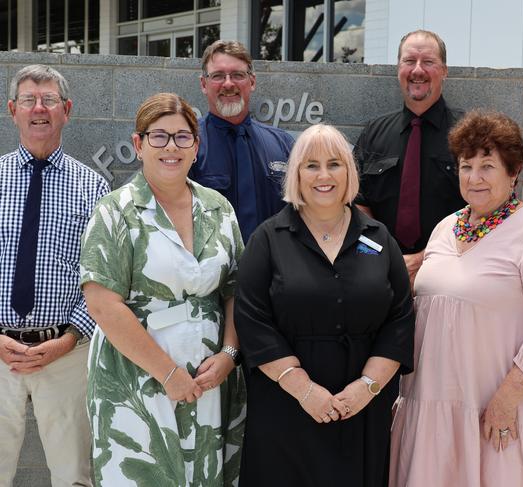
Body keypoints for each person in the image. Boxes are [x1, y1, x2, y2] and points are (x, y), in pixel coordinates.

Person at [390, 111, 523, 486]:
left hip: (503, 414)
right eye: (466, 166)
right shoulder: (444, 229)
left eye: (488, 166)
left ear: (513, 172)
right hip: (433, 409)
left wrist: (506, 399)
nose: (474, 177)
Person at [234, 124, 414, 487]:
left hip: (361, 409)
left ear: (349, 172)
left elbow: (400, 319)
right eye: (311, 165)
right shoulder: (267, 240)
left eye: (334, 164)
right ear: (296, 174)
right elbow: (252, 320)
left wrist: (367, 387)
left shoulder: (378, 239)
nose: (323, 175)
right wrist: (304, 389)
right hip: (286, 406)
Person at [80, 92, 246, 486]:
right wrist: (168, 373)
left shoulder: (219, 208)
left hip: (209, 377)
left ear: (196, 146)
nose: (171, 147)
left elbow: (236, 290)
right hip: (135, 379)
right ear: (139, 145)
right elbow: (103, 305)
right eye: (159, 136)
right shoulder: (114, 211)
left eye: (182, 137)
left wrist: (229, 353)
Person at [0, 64, 108, 487]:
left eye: (49, 100)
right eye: (29, 100)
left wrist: (69, 339)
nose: (39, 108)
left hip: (67, 353)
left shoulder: (94, 188)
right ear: (13, 110)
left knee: (73, 476)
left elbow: (102, 276)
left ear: (67, 110)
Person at [354, 29, 465, 286]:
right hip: (380, 278)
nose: (417, 70)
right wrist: (384, 256)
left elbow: (485, 210)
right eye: (409, 61)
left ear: (445, 70)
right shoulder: (374, 133)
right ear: (398, 68)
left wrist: (425, 258)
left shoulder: (469, 133)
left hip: (452, 277)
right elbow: (356, 206)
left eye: (428, 62)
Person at [189, 39, 294, 243]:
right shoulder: (187, 145)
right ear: (204, 84)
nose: (228, 84)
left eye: (238, 75)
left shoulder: (284, 145)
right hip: (212, 272)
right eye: (218, 76)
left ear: (252, 82)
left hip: (273, 271)